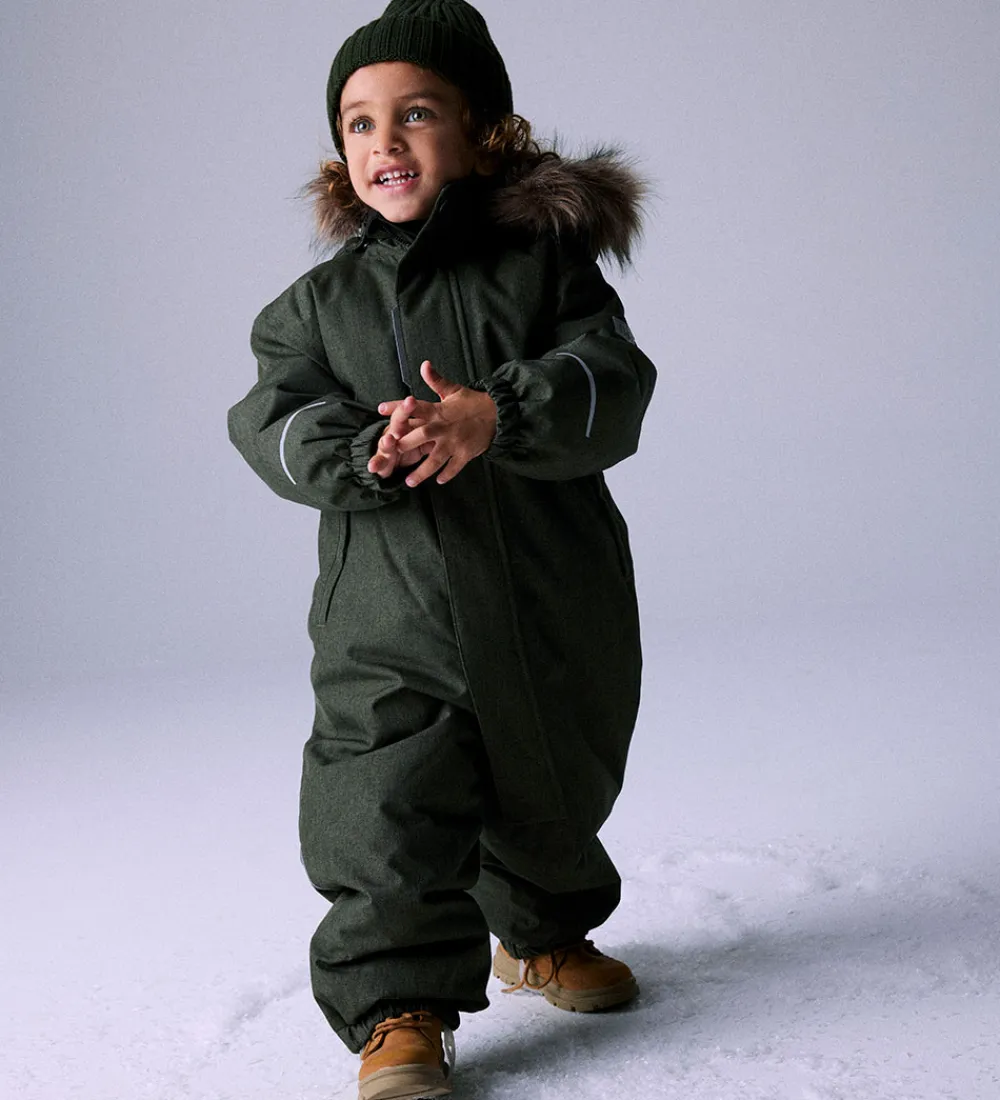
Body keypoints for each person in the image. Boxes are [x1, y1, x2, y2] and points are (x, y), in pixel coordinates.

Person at [228, 1, 657, 1097]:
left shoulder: (547, 271)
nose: (385, 141)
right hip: (391, 612)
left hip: (551, 591)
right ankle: (398, 1005)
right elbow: (270, 419)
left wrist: (496, 413)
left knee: (552, 774)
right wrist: (359, 450)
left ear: (485, 131)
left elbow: (613, 380)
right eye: (359, 122)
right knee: (384, 791)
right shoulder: (314, 308)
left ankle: (540, 931)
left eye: (416, 114)